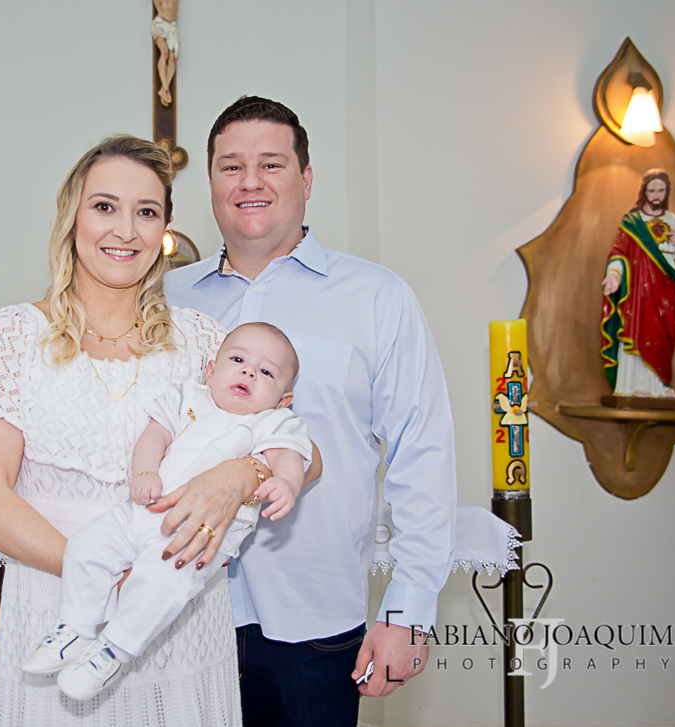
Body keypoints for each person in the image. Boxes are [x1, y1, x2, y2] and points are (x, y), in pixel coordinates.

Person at [0, 135, 303, 726]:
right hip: (56, 602)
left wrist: (241, 475)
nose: (126, 230)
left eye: (147, 212)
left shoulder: (202, 341)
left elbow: (298, 447)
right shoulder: (11, 337)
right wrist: (104, 575)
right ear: (73, 217)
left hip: (179, 623)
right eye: (105, 206)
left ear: (163, 229)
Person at [162, 96, 457, 726]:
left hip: (314, 624)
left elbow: (423, 453)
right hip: (174, 616)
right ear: (210, 182)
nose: (250, 181)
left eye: (271, 164)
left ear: (307, 178)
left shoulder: (376, 297)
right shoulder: (165, 302)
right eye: (231, 166)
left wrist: (406, 612)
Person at [21, 322, 312, 701]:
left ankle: (113, 651)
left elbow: (289, 458)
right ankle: (75, 626)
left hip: (199, 536)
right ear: (211, 371)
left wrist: (286, 483)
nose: (249, 373)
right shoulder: (187, 396)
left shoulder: (273, 422)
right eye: (238, 360)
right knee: (86, 547)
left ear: (283, 400)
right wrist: (145, 472)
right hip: (144, 509)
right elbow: (154, 435)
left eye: (266, 372)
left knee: (159, 585)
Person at [600, 169, 675, 398]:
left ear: (666, 192)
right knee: (638, 329)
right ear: (644, 192)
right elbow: (618, 252)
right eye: (652, 190)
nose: (656, 195)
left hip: (665, 286)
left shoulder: (672, 220)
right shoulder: (632, 222)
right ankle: (633, 384)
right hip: (638, 290)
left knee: (664, 335)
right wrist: (614, 275)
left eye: (661, 190)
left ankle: (660, 385)